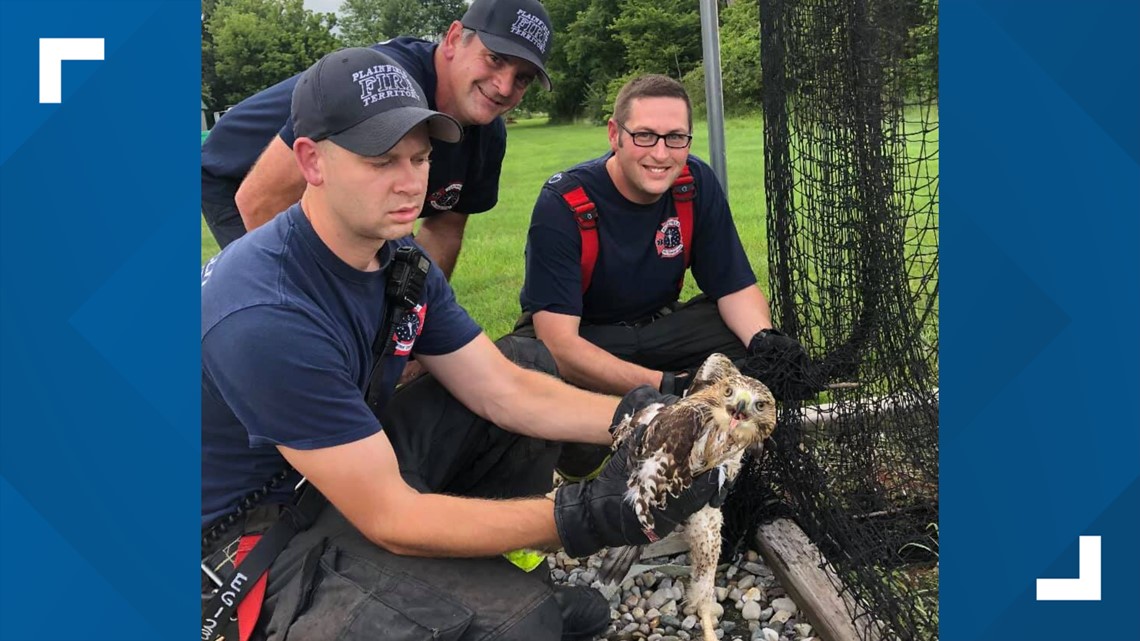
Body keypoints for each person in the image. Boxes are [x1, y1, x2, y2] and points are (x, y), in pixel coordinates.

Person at [201, 49, 722, 641]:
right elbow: (391, 515)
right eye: (380, 161)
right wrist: (586, 516)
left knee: (526, 359)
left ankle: (486, 578)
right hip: (248, 537)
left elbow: (502, 387)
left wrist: (651, 419)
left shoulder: (395, 258)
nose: (409, 182)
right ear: (311, 161)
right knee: (520, 627)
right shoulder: (266, 312)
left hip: (336, 470)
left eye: (420, 158)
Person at [515, 75, 829, 477]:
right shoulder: (564, 203)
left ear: (689, 141)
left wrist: (764, 341)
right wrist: (668, 387)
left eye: (675, 138)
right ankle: (592, 453)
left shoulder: (694, 183)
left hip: (659, 327)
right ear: (615, 134)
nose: (661, 154)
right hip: (586, 337)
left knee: (750, 349)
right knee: (528, 365)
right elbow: (560, 344)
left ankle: (722, 454)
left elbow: (733, 286)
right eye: (645, 136)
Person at [201, 0, 553, 280]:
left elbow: (443, 231)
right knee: (294, 309)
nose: (504, 87)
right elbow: (259, 200)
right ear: (453, 38)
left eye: (522, 78)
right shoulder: (385, 84)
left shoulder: (488, 133)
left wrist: (418, 320)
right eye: (495, 59)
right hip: (238, 176)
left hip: (306, 192)